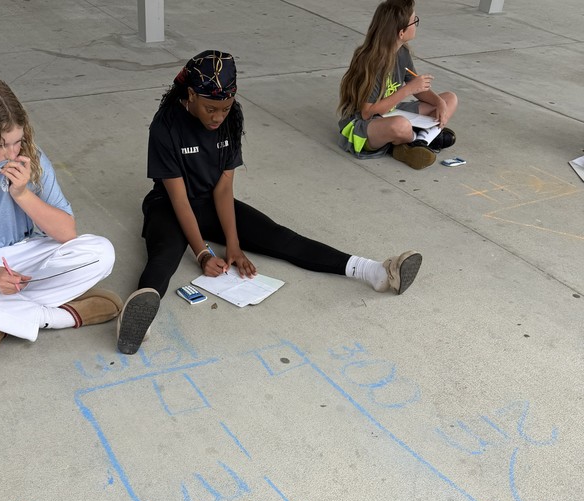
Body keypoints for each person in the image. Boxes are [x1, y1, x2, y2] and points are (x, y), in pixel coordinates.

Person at [116, 51, 423, 356]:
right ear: (192, 95)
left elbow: (224, 189)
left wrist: (233, 245)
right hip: (168, 205)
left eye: (224, 109)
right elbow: (178, 197)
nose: (217, 117)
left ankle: (377, 273)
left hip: (211, 201)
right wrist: (202, 253)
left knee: (280, 237)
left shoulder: (230, 118)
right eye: (210, 108)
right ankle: (136, 319)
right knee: (165, 256)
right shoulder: (165, 125)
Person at [0, 76, 122, 356]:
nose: (12, 152)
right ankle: (63, 317)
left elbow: (66, 233)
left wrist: (23, 194)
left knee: (101, 252)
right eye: (1, 144)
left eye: (18, 141)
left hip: (28, 255)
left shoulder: (31, 156)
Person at [337, 0, 458, 170]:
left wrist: (439, 103)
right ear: (401, 32)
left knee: (449, 99)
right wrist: (407, 90)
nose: (416, 25)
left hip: (392, 111)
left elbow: (417, 88)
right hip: (364, 125)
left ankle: (416, 142)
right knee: (400, 124)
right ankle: (419, 140)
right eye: (414, 21)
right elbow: (367, 112)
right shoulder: (370, 61)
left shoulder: (402, 52)